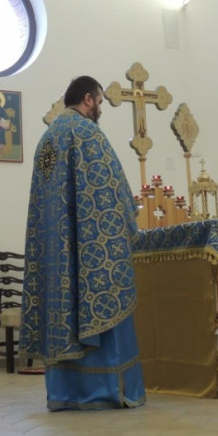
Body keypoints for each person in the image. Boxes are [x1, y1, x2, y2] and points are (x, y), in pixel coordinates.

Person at [20, 75, 146, 410]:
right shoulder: (86, 132)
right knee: (100, 294)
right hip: (87, 248)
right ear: (88, 99)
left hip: (56, 252)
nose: (100, 109)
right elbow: (111, 189)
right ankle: (105, 390)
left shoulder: (48, 137)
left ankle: (65, 393)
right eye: (100, 102)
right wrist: (129, 215)